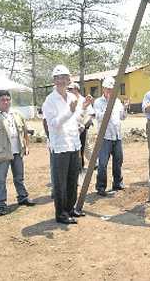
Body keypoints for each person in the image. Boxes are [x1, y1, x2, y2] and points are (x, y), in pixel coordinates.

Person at [42, 64, 87, 224]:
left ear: (69, 80)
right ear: (54, 80)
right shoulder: (49, 101)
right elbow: (53, 124)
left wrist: (82, 109)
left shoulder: (72, 97)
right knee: (60, 182)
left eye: (64, 78)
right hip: (60, 146)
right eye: (58, 78)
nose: (61, 81)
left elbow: (75, 119)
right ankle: (61, 213)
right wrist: (70, 111)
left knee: (72, 179)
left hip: (73, 144)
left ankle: (70, 209)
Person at [0, 90, 35, 216]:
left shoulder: (17, 114)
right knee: (0, 180)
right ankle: (0, 204)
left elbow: (24, 131)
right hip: (1, 153)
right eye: (3, 99)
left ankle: (23, 197)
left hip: (17, 151)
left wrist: (27, 146)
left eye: (8, 99)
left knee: (19, 177)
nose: (6, 102)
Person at [93, 76, 129, 196]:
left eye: (112, 89)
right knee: (102, 163)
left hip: (117, 136)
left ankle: (117, 183)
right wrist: (108, 106)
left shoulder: (117, 101)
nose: (110, 91)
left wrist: (125, 108)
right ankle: (101, 187)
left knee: (118, 161)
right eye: (108, 89)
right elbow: (98, 117)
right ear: (103, 88)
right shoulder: (98, 102)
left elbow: (122, 117)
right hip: (105, 137)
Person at [67, 82, 95, 171]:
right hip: (72, 128)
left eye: (71, 89)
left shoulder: (84, 100)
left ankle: (88, 164)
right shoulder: (69, 100)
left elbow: (90, 114)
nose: (69, 91)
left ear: (76, 89)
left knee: (84, 147)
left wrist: (84, 125)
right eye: (69, 89)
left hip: (83, 128)